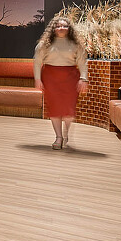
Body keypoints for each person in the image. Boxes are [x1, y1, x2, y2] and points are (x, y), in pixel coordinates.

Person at [33, 18, 88, 150]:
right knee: (55, 108)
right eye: (58, 26)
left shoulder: (76, 44)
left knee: (69, 110)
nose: (61, 28)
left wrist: (83, 78)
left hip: (70, 78)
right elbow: (37, 62)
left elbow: (82, 62)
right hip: (50, 78)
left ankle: (66, 133)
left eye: (64, 26)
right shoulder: (43, 44)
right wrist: (38, 79)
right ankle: (58, 137)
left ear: (69, 29)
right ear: (53, 28)